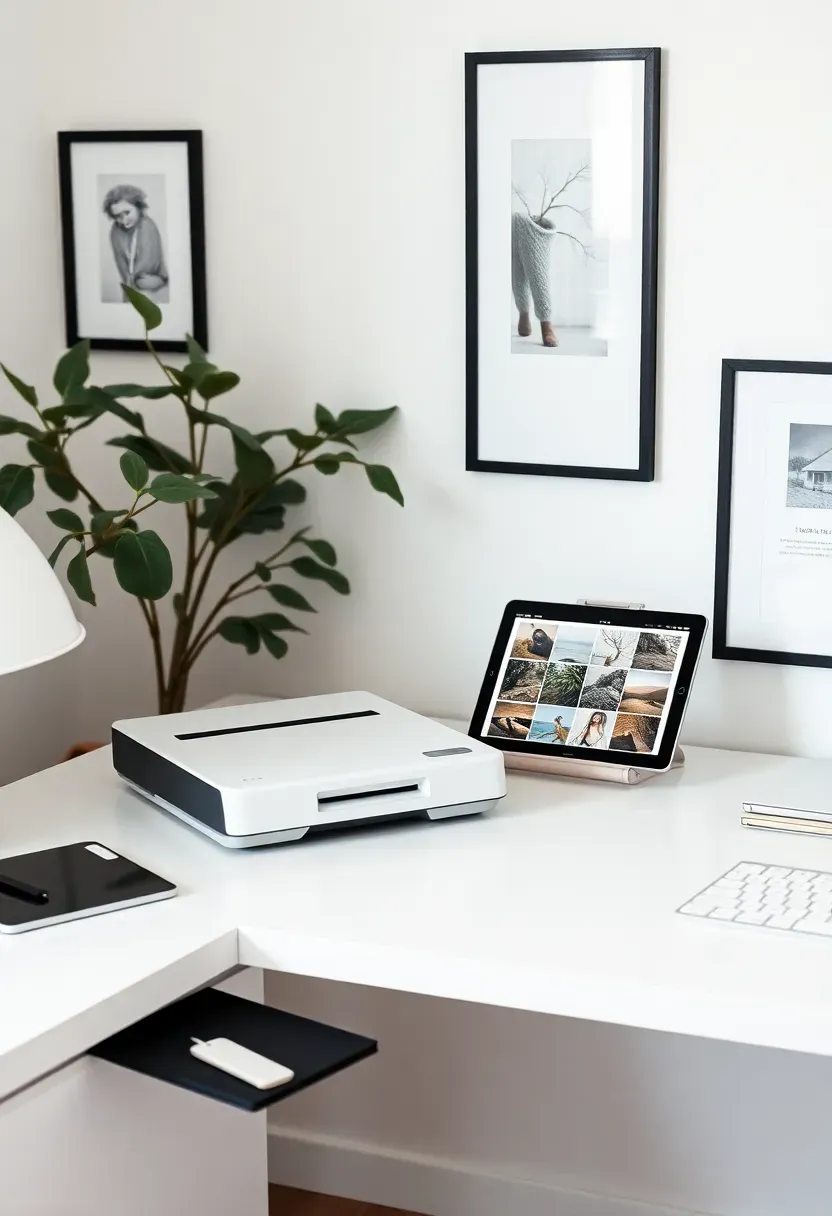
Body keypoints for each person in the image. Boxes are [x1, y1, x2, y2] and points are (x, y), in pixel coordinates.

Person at [102, 184, 168, 299]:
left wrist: (133, 280)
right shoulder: (115, 231)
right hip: (132, 286)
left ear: (138, 207)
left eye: (127, 212)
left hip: (155, 284)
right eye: (117, 216)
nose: (124, 220)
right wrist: (129, 282)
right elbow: (120, 262)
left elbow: (149, 262)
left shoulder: (147, 225)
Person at [511, 211, 558, 348]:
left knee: (538, 272)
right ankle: (523, 311)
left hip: (529, 226)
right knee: (516, 267)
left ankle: (545, 322)